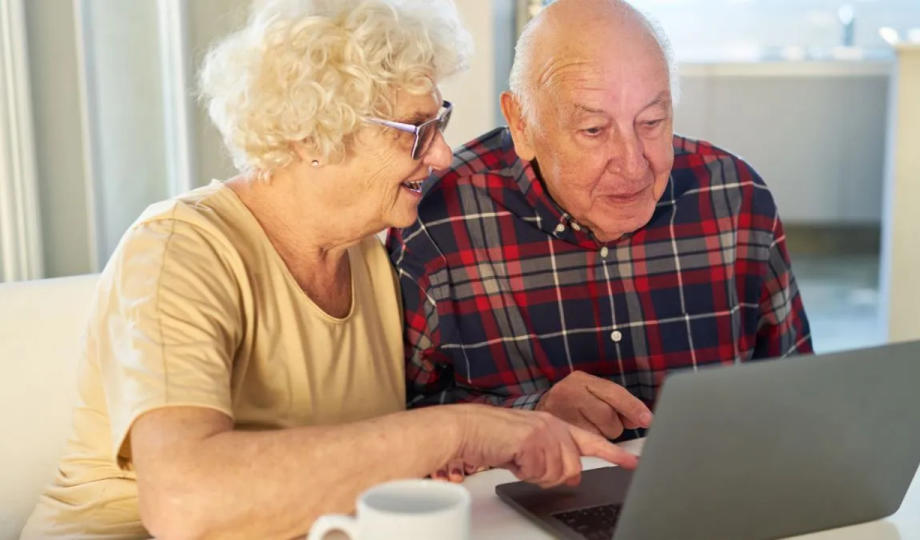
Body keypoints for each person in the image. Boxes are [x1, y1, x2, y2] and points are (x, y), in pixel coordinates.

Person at [20, 1, 636, 538]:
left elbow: (357, 459)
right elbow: (183, 503)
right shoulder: (179, 249)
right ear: (312, 137)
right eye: (416, 131)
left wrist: (520, 424)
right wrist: (461, 431)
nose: (444, 153)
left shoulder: (372, 252)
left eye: (439, 122)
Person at [388, 0, 813, 444]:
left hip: (710, 500)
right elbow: (398, 425)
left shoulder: (736, 198)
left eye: (651, 122)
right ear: (522, 124)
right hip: (511, 506)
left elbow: (798, 395)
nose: (633, 166)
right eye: (594, 130)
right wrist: (532, 418)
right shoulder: (438, 225)